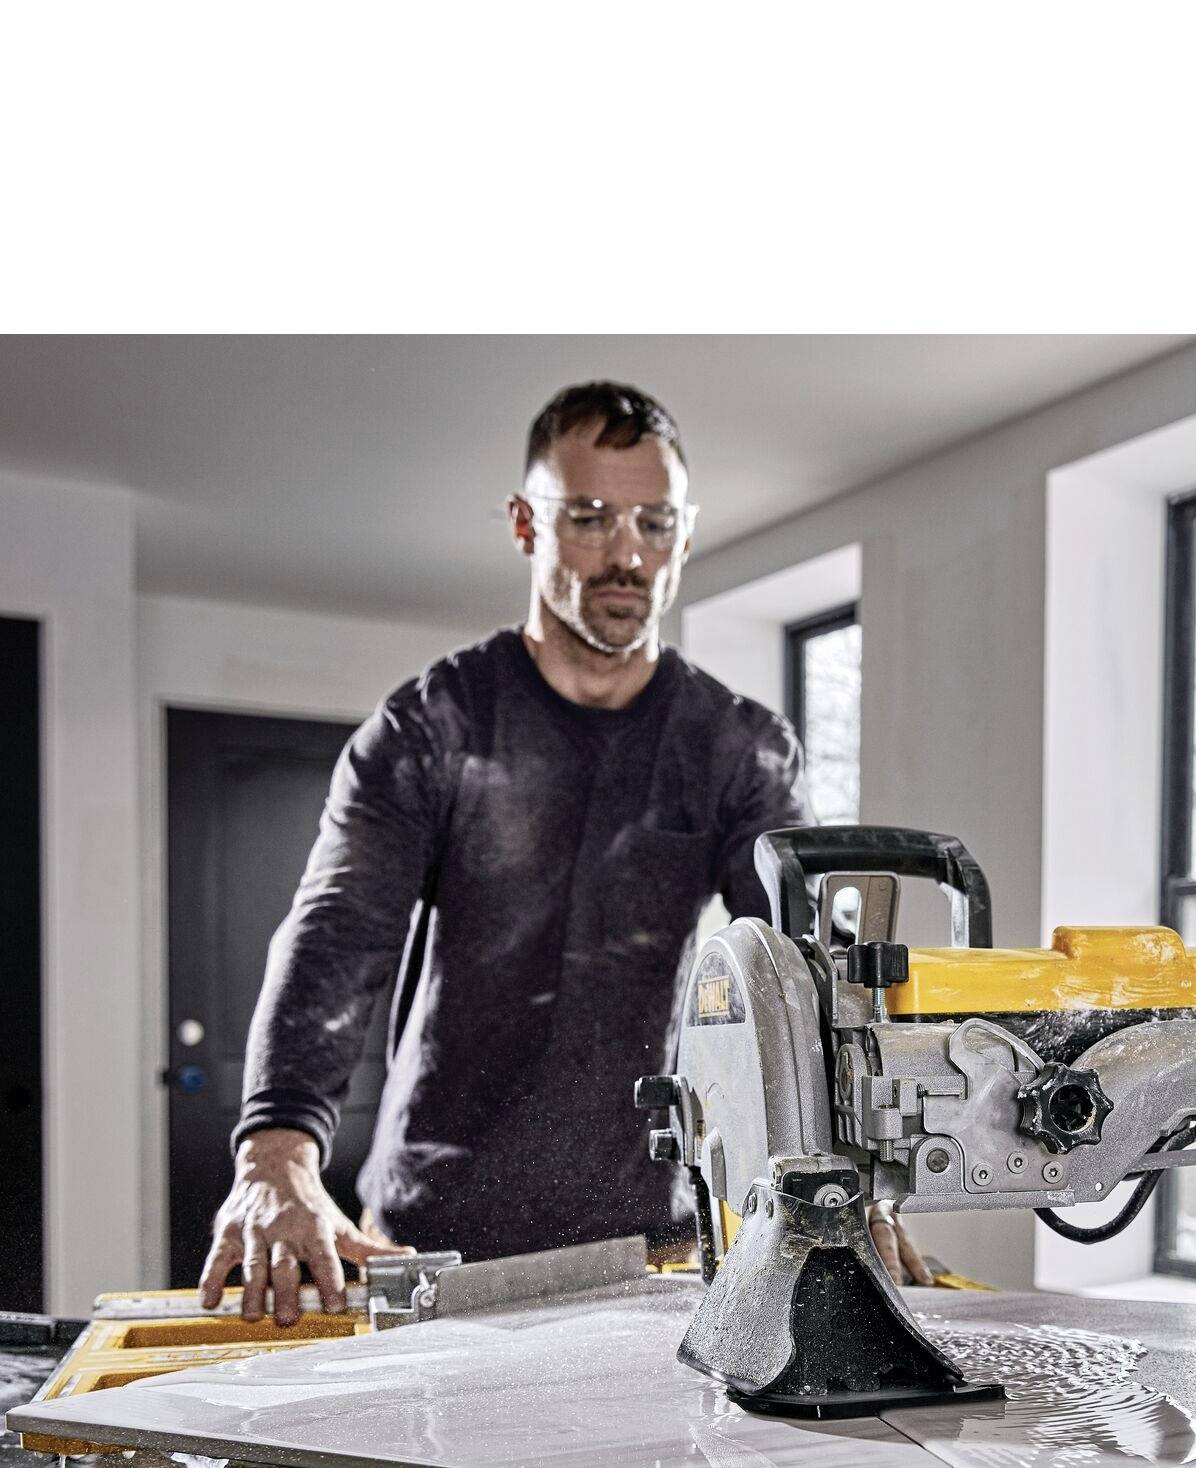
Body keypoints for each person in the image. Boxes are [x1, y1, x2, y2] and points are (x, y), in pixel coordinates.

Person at [199, 380, 928, 1325]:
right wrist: (275, 1152)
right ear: (524, 524)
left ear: (685, 536)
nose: (626, 553)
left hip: (650, 1237)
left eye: (653, 523)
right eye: (588, 517)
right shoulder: (433, 727)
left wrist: (845, 1166)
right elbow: (339, 934)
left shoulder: (733, 746)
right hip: (430, 1233)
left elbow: (800, 968)